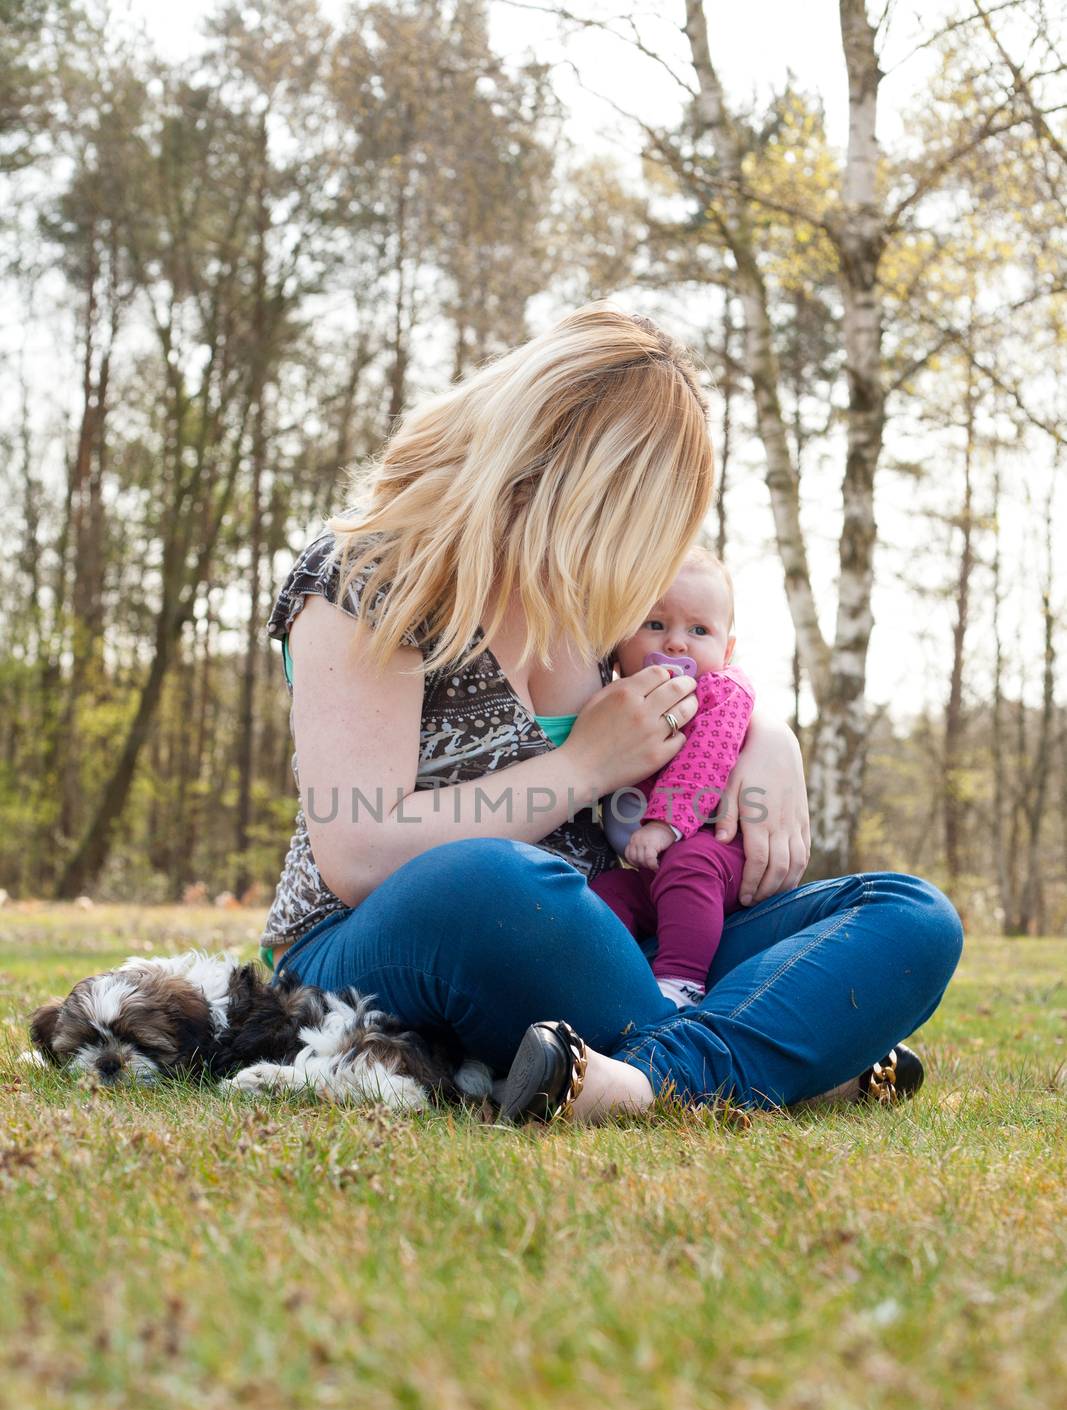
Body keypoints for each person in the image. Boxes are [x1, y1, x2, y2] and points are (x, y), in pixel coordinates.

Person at [259, 302, 963, 1125]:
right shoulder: (369, 575)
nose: (651, 556)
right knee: (496, 881)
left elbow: (707, 699)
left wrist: (771, 741)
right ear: (578, 479)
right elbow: (362, 851)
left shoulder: (597, 607)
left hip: (620, 937)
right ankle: (772, 1059)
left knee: (908, 914)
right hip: (402, 937)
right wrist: (582, 766)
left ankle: (639, 1080)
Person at [590, 546, 753, 1009]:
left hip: (714, 851)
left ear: (727, 649)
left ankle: (681, 983)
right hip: (647, 867)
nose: (677, 643)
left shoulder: (721, 692)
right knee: (607, 894)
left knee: (690, 865)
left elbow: (706, 759)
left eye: (698, 630)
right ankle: (602, 978)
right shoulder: (619, 696)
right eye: (656, 625)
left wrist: (665, 825)